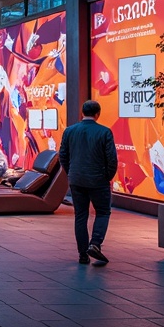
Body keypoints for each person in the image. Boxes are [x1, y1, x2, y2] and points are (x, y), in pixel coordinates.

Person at [59, 99, 118, 265]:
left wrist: (71, 172)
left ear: (82, 113)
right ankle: (95, 244)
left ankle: (82, 255)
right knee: (103, 212)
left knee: (81, 216)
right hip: (98, 180)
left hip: (77, 179)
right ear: (98, 114)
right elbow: (111, 159)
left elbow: (63, 155)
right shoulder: (104, 132)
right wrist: (107, 176)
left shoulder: (69, 131)